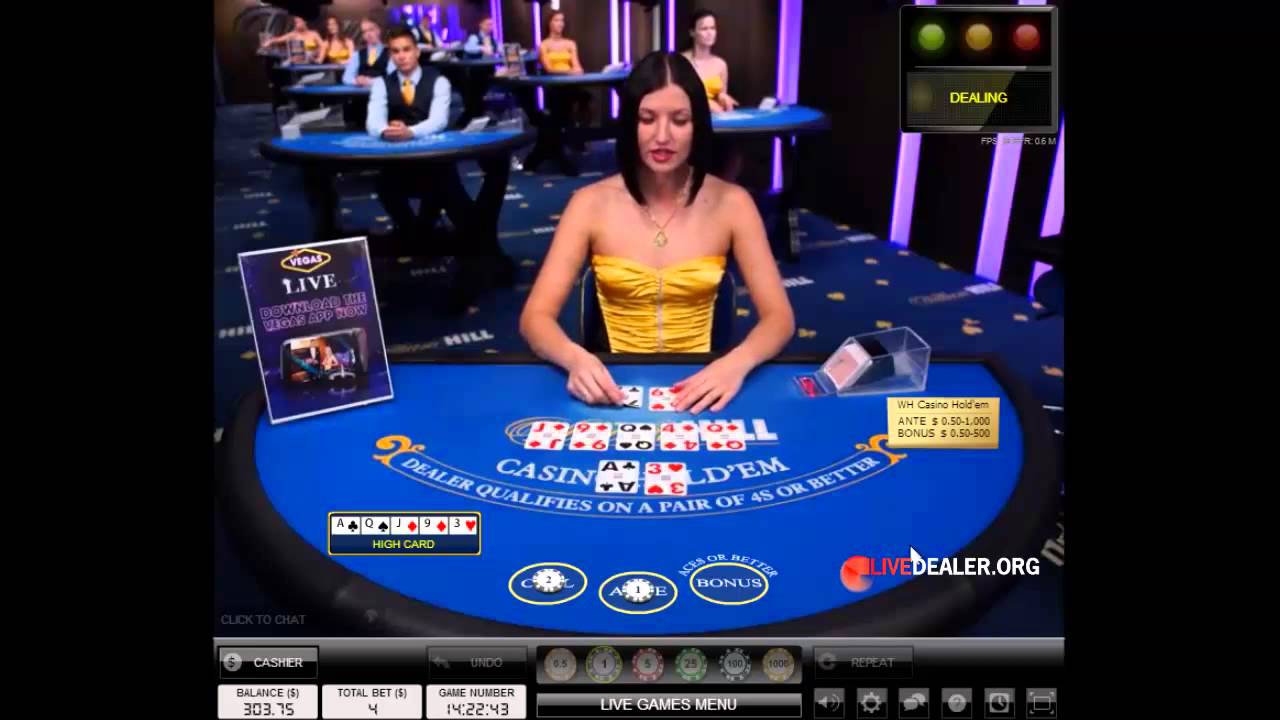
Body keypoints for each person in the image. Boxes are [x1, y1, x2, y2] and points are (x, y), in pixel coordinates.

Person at [519, 51, 794, 413]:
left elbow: (779, 318)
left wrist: (736, 363)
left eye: (679, 120)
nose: (662, 136)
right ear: (630, 123)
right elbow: (535, 318)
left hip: (703, 386)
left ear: (698, 125)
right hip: (614, 388)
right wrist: (575, 358)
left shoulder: (734, 203)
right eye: (647, 119)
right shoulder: (588, 204)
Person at [366, 27, 467, 248]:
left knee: (447, 190)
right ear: (390, 55)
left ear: (417, 52)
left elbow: (439, 120)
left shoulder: (439, 81)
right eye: (395, 51)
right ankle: (414, 234)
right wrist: (385, 130)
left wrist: (410, 131)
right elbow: (373, 121)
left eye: (406, 49)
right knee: (384, 186)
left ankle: (422, 233)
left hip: (434, 159)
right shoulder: (382, 83)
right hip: (397, 160)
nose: (401, 56)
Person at [681, 10, 737, 113]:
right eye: (704, 29)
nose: (709, 33)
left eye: (712, 28)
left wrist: (723, 98)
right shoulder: (682, 61)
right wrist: (707, 104)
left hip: (714, 116)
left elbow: (721, 94)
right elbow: (678, 97)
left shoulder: (721, 64)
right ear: (692, 32)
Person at [343, 18, 395, 86]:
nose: (368, 34)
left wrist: (370, 81)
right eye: (364, 32)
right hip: (360, 92)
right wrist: (356, 81)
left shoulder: (390, 53)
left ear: (378, 30)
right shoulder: (357, 54)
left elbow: (392, 77)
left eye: (371, 29)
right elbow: (346, 78)